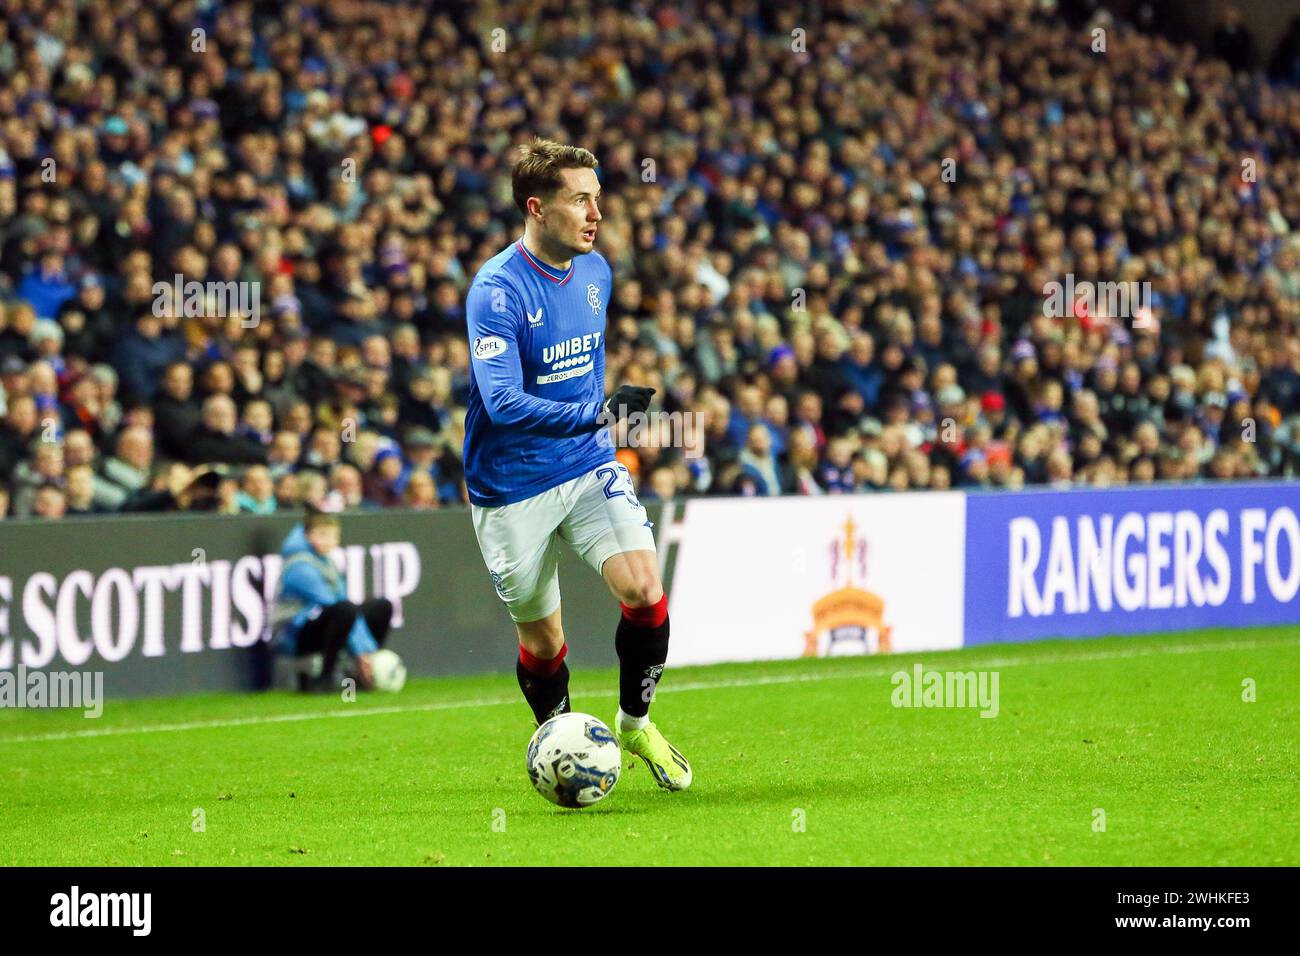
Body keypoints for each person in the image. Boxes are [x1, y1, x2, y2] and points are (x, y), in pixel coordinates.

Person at [462, 138, 691, 791]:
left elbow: (581, 377)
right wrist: (598, 414)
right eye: (580, 200)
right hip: (510, 487)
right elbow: (502, 402)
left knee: (645, 590)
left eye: (597, 198)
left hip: (587, 464)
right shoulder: (497, 290)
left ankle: (634, 722)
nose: (597, 213)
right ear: (537, 207)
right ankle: (557, 748)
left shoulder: (596, 274)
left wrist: (599, 420)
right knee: (542, 644)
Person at [270, 509, 394, 692]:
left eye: (333, 535)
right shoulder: (299, 566)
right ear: (307, 535)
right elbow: (331, 603)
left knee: (381, 607)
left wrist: (366, 649)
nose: (328, 540)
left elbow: (342, 602)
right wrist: (361, 651)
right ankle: (325, 678)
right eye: (322, 534)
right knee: (344, 611)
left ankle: (365, 669)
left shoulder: (326, 561)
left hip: (317, 623)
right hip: (293, 635)